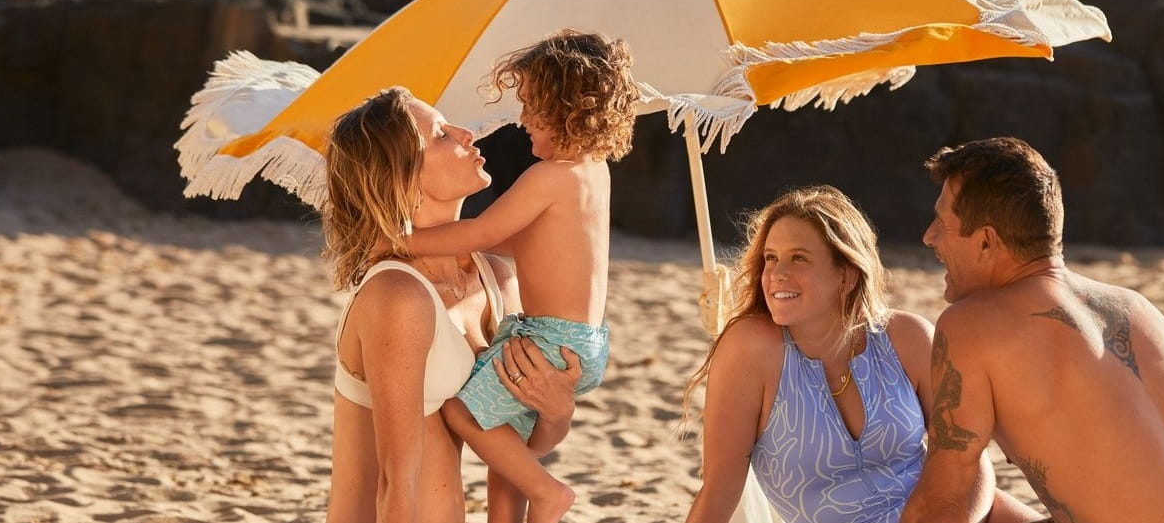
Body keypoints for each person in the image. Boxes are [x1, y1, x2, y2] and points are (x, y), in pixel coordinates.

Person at [900, 137, 1164, 523]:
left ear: (985, 241)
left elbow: (940, 504)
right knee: (995, 507)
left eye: (942, 224)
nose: (929, 237)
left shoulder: (971, 324)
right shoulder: (1135, 308)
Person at [682, 185, 1036, 523]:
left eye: (798, 258)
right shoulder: (750, 349)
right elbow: (720, 490)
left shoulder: (907, 337)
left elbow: (969, 461)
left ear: (846, 274)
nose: (777, 274)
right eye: (771, 258)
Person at [402, 29, 639, 523]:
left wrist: (398, 242)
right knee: (507, 454)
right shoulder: (595, 172)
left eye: (531, 104)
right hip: (584, 340)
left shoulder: (548, 176)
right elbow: (531, 245)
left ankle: (550, 497)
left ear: (569, 107)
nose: (523, 117)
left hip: (551, 340)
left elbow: (483, 232)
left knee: (461, 414)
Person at [322, 86, 583, 523]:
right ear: (401, 175)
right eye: (441, 134)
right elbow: (395, 481)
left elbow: (521, 446)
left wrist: (558, 409)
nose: (467, 134)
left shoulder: (497, 278)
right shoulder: (398, 295)